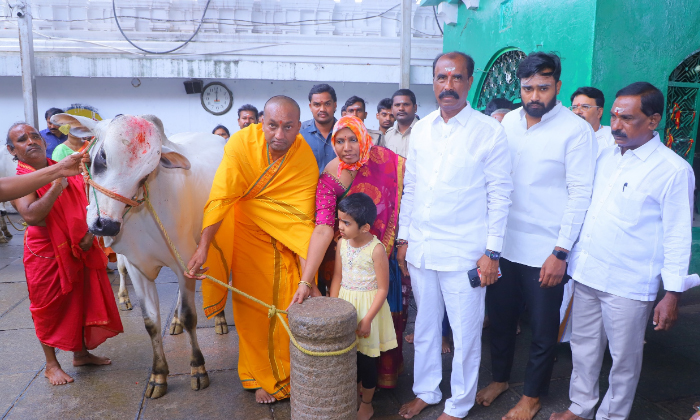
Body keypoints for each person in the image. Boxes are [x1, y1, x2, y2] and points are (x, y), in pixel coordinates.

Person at [550, 82, 700, 420]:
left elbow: (678, 235)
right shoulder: (605, 153)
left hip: (629, 284)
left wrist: (672, 293)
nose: (616, 125)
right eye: (614, 116)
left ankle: (611, 416)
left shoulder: (673, 170)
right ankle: (581, 406)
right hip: (587, 272)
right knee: (583, 347)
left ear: (653, 121)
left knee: (624, 360)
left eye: (627, 118)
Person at [477, 52, 596, 420]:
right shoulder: (507, 123)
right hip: (504, 247)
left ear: (557, 87)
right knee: (499, 319)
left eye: (543, 88)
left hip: (547, 251)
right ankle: (499, 379)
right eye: (527, 88)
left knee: (543, 330)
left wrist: (560, 253)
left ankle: (532, 395)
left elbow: (580, 195)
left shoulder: (575, 131)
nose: (534, 96)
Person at [397, 51, 513, 420]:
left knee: (464, 335)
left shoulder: (489, 131)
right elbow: (411, 187)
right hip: (422, 249)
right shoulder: (423, 128)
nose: (448, 85)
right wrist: (403, 239)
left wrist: (492, 252)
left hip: (466, 252)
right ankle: (427, 391)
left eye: (456, 78)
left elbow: (500, 195)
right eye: (441, 77)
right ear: (433, 81)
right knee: (426, 326)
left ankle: (459, 403)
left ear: (469, 81)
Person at [185, 96, 318, 404]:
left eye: (288, 127)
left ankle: (288, 373)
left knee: (288, 304)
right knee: (253, 311)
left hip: (285, 244)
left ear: (300, 126)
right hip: (247, 237)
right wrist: (203, 247)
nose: (280, 135)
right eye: (272, 126)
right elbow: (221, 197)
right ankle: (258, 376)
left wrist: (307, 279)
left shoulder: (304, 158)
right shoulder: (240, 146)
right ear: (261, 122)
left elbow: (301, 222)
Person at [289, 115, 407, 389]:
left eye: (353, 139)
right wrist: (306, 281)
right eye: (339, 141)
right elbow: (322, 227)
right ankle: (352, 386)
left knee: (376, 327)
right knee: (348, 332)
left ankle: (375, 388)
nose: (346, 147)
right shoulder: (331, 173)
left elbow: (405, 202)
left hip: (380, 258)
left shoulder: (389, 163)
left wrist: (403, 242)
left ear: (364, 138)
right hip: (345, 262)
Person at [7, 123, 123, 386]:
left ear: (45, 141)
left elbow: (88, 202)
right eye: (22, 139)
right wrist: (57, 184)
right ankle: (51, 365)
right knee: (47, 307)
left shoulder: (61, 166)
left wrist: (90, 234)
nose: (31, 141)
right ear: (12, 150)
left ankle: (80, 353)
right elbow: (32, 215)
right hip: (45, 252)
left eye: (35, 136)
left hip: (78, 244)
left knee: (79, 299)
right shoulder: (23, 177)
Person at [329, 192, 398, 420]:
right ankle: (353, 396)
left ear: (365, 227)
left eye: (346, 223)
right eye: (339, 220)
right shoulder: (341, 244)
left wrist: (367, 319)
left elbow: (382, 289)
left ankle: (367, 403)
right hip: (346, 305)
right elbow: (338, 276)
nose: (340, 226)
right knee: (349, 357)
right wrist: (333, 307)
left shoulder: (376, 250)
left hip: (369, 310)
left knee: (367, 361)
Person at [300, 83, 338, 173]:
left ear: (335, 105)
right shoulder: (301, 136)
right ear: (310, 107)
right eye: (317, 105)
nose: (322, 109)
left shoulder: (346, 133)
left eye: (327, 104)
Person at [570, 87, 615, 156]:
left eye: (585, 107)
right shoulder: (564, 136)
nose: (577, 112)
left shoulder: (612, 138)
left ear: (599, 112)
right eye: (574, 107)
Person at [384, 89, 418, 158]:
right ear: (392, 109)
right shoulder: (389, 134)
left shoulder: (425, 131)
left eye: (406, 104)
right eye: (397, 105)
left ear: (415, 108)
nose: (401, 108)